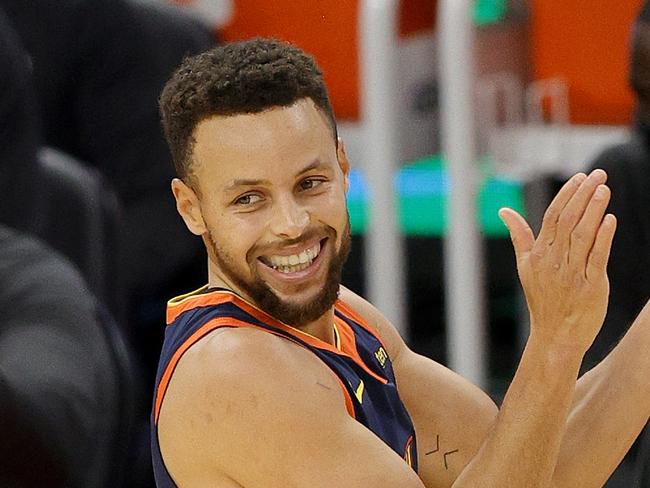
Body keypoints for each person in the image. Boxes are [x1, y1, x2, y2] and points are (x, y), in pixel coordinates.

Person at [151, 38, 650, 487]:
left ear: (344, 169)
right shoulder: (234, 374)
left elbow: (537, 468)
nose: (291, 223)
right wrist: (554, 345)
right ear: (191, 208)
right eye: (249, 200)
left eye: (309, 183)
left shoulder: (346, 316)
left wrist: (562, 344)